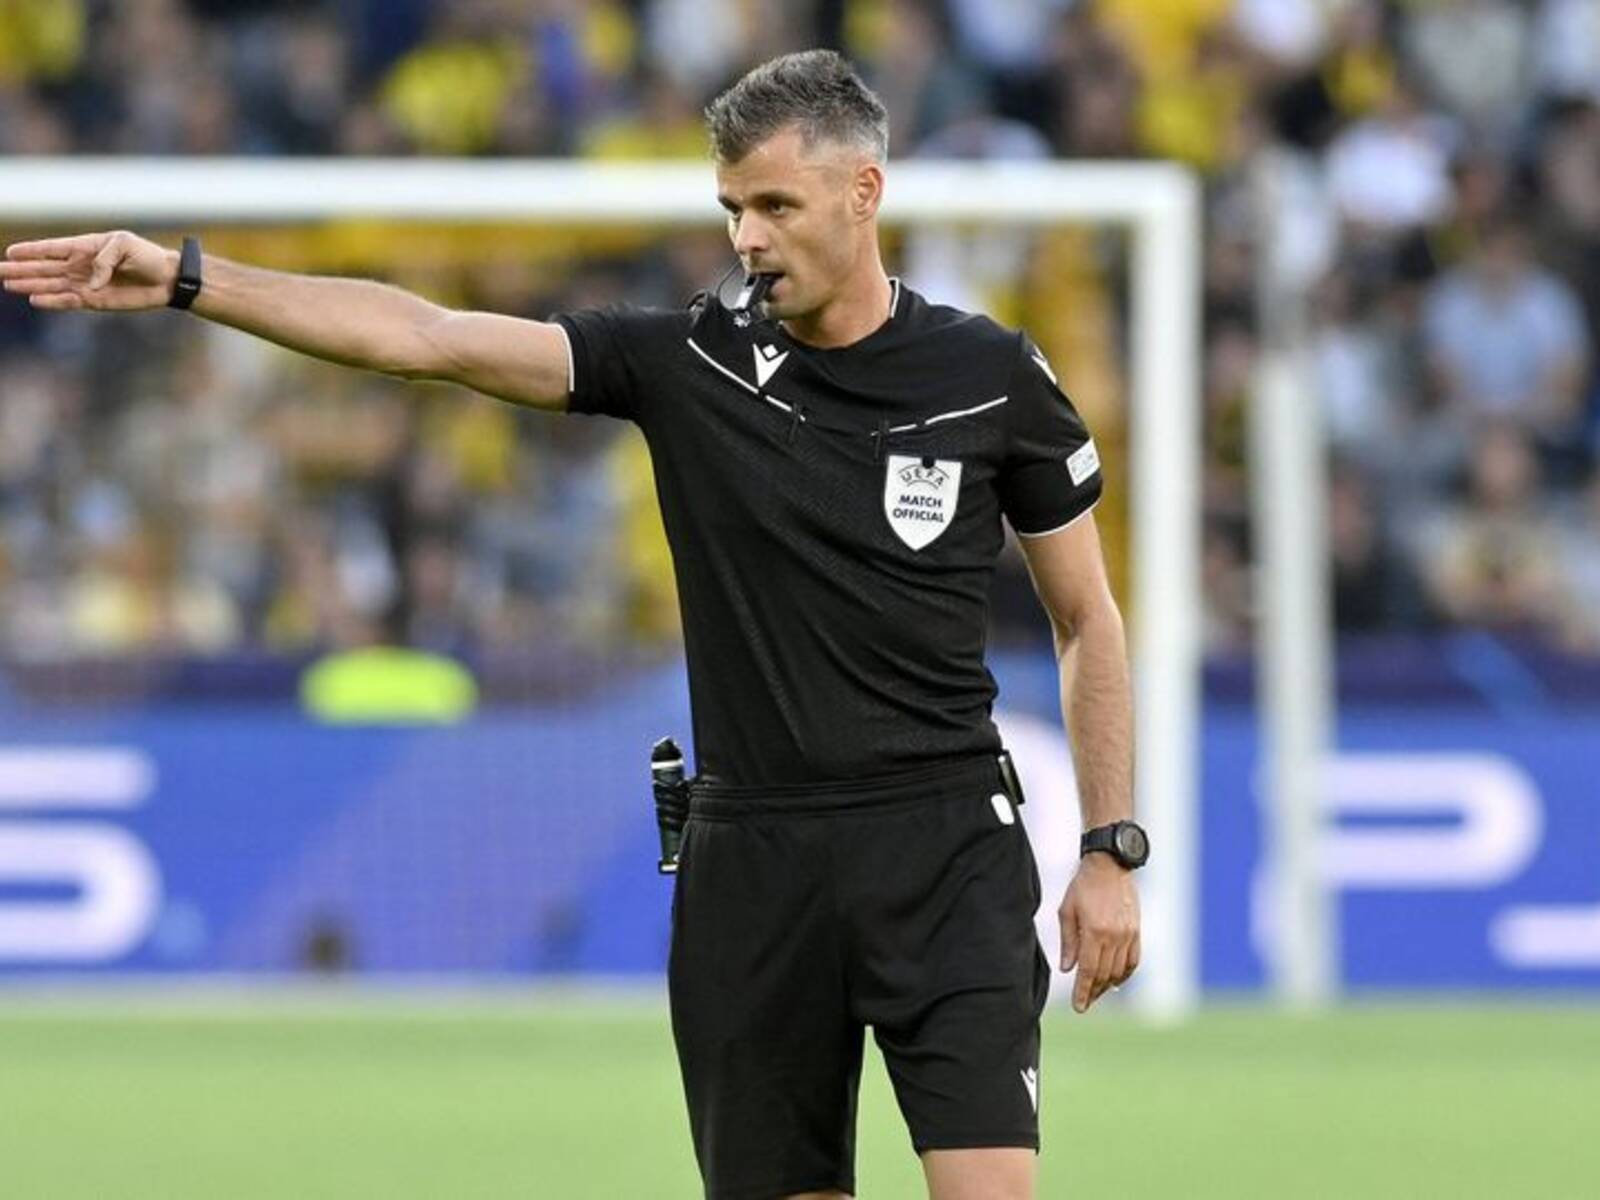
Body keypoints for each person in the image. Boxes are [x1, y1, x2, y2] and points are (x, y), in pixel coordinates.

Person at [2, 49, 1142, 1200]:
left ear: (864, 192)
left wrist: (1107, 846)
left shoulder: (989, 377)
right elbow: (427, 336)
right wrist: (191, 280)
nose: (746, 238)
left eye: (775, 206)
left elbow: (1087, 621)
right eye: (732, 208)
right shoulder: (687, 363)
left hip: (942, 847)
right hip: (752, 862)